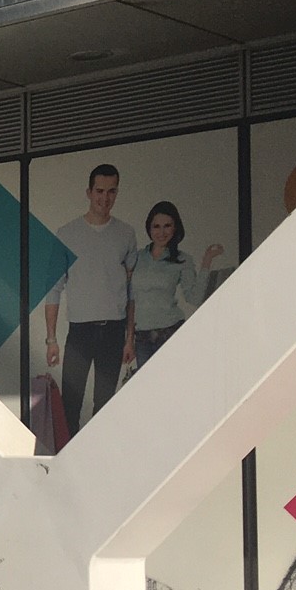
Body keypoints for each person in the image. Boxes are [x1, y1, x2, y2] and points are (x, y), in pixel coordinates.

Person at [44, 163, 136, 438]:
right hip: (81, 330)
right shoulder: (67, 234)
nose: (104, 198)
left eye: (111, 191)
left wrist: (129, 337)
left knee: (105, 404)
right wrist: (51, 339)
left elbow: (132, 291)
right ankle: (71, 463)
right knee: (71, 403)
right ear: (89, 192)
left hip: (114, 330)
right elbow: (53, 289)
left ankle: (98, 461)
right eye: (99, 191)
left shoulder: (126, 234)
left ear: (116, 193)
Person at [126, 200, 225, 369]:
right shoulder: (136, 258)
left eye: (167, 226)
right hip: (142, 338)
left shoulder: (182, 259)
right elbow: (131, 301)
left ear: (175, 228)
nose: (162, 232)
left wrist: (206, 261)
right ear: (149, 229)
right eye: (156, 226)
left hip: (170, 333)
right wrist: (129, 340)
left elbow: (194, 297)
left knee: (171, 388)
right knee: (148, 390)